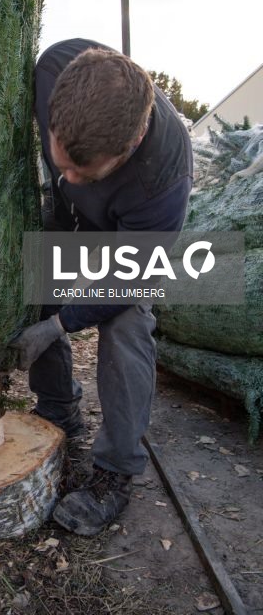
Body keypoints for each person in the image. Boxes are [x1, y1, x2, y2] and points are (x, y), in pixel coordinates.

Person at [10, 38, 193, 537]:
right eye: (59, 162)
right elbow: (62, 174)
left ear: (127, 149)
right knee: (40, 278)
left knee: (127, 324)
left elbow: (124, 281)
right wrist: (62, 195)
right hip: (78, 219)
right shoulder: (55, 70)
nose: (65, 176)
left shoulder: (162, 184)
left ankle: (115, 471)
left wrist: (62, 322)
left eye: (78, 171)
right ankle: (59, 411)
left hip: (123, 231)